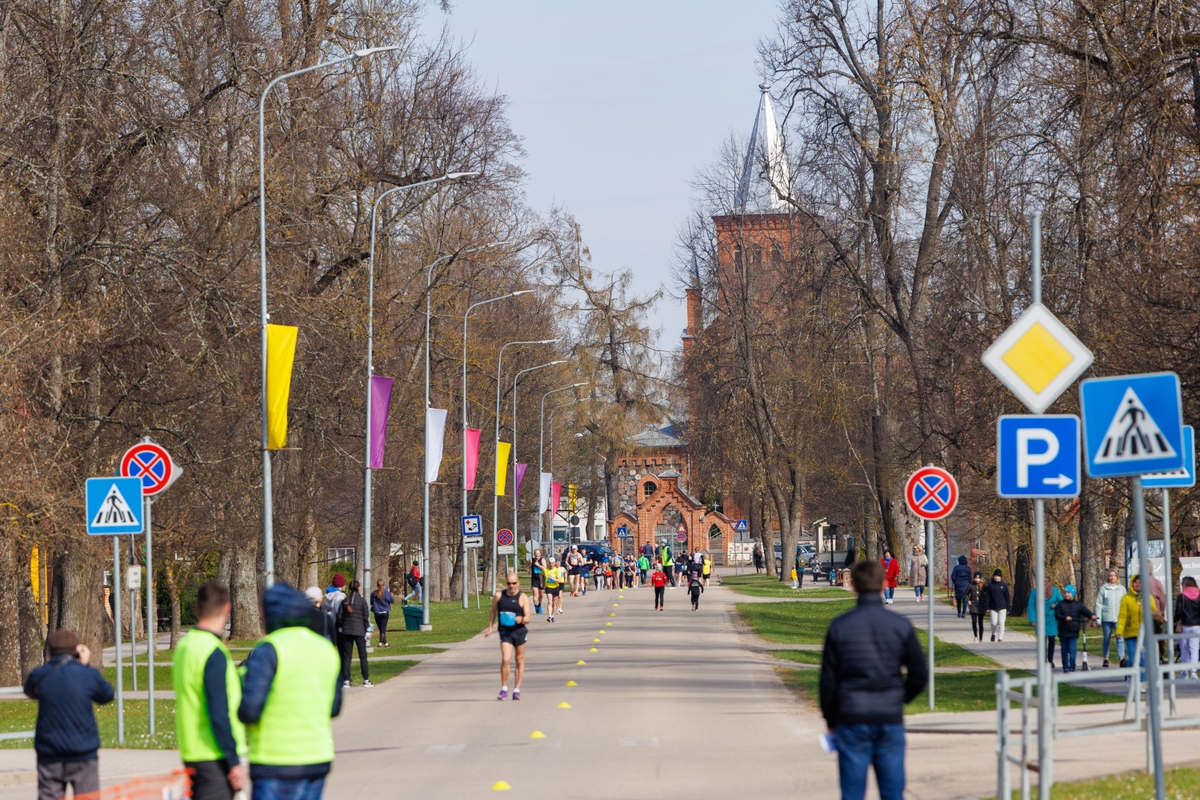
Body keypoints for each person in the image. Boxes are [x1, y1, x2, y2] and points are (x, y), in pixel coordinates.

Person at [819, 560, 928, 800]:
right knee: (892, 791)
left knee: (853, 792)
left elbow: (828, 680)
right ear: (883, 585)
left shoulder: (839, 627)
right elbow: (919, 674)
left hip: (851, 716)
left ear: (854, 587)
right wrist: (899, 697)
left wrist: (830, 717)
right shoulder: (900, 626)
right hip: (888, 717)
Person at [239, 582, 342, 800]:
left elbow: (250, 710)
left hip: (275, 760)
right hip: (317, 757)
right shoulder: (325, 649)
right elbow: (334, 707)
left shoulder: (269, 649)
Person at [173, 582, 246, 800]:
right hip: (214, 753)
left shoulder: (185, 647)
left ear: (196, 609)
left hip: (191, 749)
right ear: (227, 609)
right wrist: (233, 762)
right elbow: (218, 712)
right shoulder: (213, 652)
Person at [24, 629, 114, 800]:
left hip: (49, 752)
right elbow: (107, 695)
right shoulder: (87, 674)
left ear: (49, 650)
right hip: (83, 752)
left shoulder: (40, 675)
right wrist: (86, 664)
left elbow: (30, 691)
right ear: (76, 650)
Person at [486, 572, 533, 700]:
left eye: (514, 583)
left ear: (518, 583)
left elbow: (528, 618)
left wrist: (522, 619)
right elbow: (493, 611)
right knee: (506, 659)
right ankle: (504, 689)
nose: (511, 586)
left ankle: (516, 690)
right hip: (505, 632)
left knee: (519, 659)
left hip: (519, 631)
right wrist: (490, 627)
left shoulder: (522, 597)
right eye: (509, 583)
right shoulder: (499, 595)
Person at [1118, 576, 1155, 682]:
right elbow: (1122, 616)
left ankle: (1141, 681)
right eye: (1135, 582)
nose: (1137, 584)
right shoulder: (1126, 598)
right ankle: (1130, 676)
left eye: (1140, 582)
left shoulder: (1148, 598)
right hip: (1130, 634)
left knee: (1143, 658)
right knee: (1134, 658)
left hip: (1144, 634)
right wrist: (1119, 630)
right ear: (1131, 584)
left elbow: (1154, 613)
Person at [1053, 584, 1094, 673]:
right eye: (1065, 593)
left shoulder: (1078, 605)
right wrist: (1064, 617)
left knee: (1072, 650)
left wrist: (1091, 615)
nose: (1066, 594)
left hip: (1073, 632)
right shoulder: (1061, 604)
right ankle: (1065, 667)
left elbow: (1085, 611)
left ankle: (1072, 666)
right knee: (1064, 650)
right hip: (1063, 631)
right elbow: (1057, 614)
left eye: (1068, 593)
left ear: (1073, 594)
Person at [338, 580, 371, 687]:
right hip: (359, 631)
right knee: (362, 655)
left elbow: (339, 617)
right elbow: (366, 616)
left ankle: (346, 679)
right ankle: (365, 679)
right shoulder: (361, 601)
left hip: (346, 631)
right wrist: (366, 629)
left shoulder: (344, 601)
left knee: (347, 655)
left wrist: (342, 626)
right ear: (358, 588)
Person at [1027, 577, 1063, 668]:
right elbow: (1031, 606)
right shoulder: (1035, 592)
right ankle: (1043, 660)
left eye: (1046, 582)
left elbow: (1062, 602)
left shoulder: (1055, 590)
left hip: (1052, 619)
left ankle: (1050, 660)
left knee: (1051, 639)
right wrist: (1033, 620)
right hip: (1040, 619)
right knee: (1042, 641)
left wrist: (1056, 605)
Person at [1097, 568, 1124, 668]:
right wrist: (1098, 618)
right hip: (1107, 618)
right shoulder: (1104, 588)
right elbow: (1099, 603)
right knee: (1106, 639)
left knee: (1120, 638)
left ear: (1117, 577)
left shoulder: (1122, 589)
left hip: (1119, 618)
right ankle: (1105, 658)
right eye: (1110, 576)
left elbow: (1125, 603)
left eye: (1114, 576)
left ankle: (1121, 658)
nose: (1112, 577)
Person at [1175, 576, 1200, 679]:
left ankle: (1184, 672)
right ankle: (1193, 672)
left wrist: (1175, 621)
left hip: (1185, 625)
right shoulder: (1199, 594)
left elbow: (1178, 612)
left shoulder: (1182, 596)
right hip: (1197, 626)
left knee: (1184, 649)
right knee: (1195, 649)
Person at [983, 569, 1011, 642]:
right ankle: (993, 633)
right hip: (993, 607)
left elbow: (1007, 597)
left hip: (1003, 606)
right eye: (995, 576)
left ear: (1000, 577)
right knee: (994, 623)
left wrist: (1008, 607)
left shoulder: (1004, 585)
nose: (997, 577)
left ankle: (1000, 638)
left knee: (1001, 623)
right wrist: (987, 607)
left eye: (998, 576)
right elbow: (987, 596)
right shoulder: (990, 585)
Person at [370, 579, 394, 648]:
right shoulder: (386, 593)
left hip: (377, 612)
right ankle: (382, 643)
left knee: (381, 628)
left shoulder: (373, 593)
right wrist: (389, 593)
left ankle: (383, 642)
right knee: (383, 628)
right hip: (385, 612)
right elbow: (392, 600)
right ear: (384, 585)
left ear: (377, 585)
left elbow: (371, 602)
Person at [967, 573, 986, 642]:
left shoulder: (983, 585)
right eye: (975, 578)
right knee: (974, 621)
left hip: (981, 606)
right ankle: (975, 636)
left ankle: (981, 638)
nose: (977, 580)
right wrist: (968, 600)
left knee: (980, 623)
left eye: (978, 578)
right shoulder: (971, 585)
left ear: (980, 578)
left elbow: (987, 594)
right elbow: (966, 593)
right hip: (973, 605)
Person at [529, 548, 547, 614]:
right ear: (534, 554)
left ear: (540, 554)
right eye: (535, 553)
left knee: (541, 595)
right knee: (535, 594)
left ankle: (539, 605)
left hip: (541, 579)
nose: (537, 555)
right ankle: (536, 607)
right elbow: (527, 565)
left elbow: (545, 568)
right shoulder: (531, 560)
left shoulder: (542, 560)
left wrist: (538, 565)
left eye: (538, 553)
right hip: (534, 579)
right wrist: (528, 569)